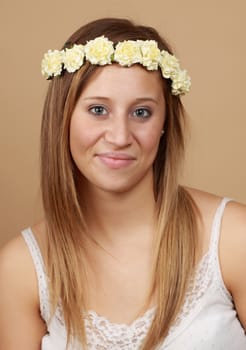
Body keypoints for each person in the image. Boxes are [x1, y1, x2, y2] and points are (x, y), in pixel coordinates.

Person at [0, 17, 245, 350]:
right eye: (98, 109)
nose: (119, 137)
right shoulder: (20, 269)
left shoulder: (234, 238)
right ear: (63, 117)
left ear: (164, 124)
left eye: (141, 112)